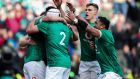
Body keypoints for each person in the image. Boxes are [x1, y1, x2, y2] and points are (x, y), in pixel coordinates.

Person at [26, 6, 78, 79]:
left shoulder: (47, 25)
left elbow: (29, 30)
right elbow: (75, 38)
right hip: (66, 64)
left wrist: (37, 18)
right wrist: (71, 28)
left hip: (55, 63)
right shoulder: (65, 26)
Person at [67, 3, 101, 79]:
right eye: (86, 10)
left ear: (95, 12)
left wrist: (75, 13)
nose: (87, 12)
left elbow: (86, 26)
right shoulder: (81, 24)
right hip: (84, 62)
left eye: (89, 10)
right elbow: (66, 19)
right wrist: (60, 8)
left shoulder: (100, 26)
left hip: (96, 62)